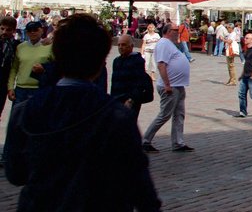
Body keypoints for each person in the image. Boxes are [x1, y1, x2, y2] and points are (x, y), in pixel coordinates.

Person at [3, 14, 161, 211]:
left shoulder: (24, 111)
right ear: (100, 61)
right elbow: (141, 189)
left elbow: (16, 173)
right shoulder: (117, 116)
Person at [141, 24, 192, 153]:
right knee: (164, 115)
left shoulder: (170, 44)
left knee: (179, 114)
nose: (178, 33)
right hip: (170, 86)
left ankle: (178, 142)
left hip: (178, 85)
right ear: (169, 31)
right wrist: (167, 85)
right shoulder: (163, 43)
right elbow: (161, 65)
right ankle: (146, 140)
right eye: (176, 31)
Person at [6, 20, 53, 105]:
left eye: (35, 30)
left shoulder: (50, 47)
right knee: (18, 117)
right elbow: (14, 69)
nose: (32, 32)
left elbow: (56, 66)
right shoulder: (20, 47)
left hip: (40, 89)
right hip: (20, 89)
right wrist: (10, 87)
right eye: (29, 30)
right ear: (26, 32)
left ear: (41, 30)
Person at [110, 34, 153, 122]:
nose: (121, 47)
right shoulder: (116, 61)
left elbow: (139, 83)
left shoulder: (137, 61)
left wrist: (131, 100)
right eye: (119, 45)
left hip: (129, 101)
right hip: (117, 100)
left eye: (124, 44)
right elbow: (114, 82)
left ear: (131, 46)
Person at [0, 16, 18, 125]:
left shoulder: (17, 45)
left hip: (3, 83)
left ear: (14, 31)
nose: (4, 32)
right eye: (2, 29)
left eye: (8, 30)